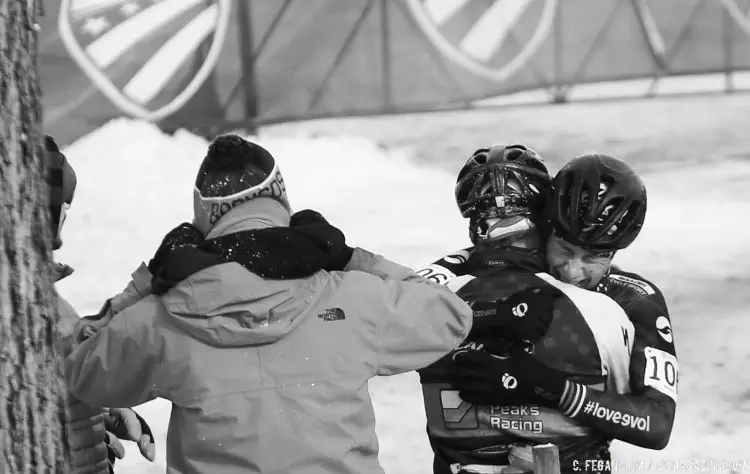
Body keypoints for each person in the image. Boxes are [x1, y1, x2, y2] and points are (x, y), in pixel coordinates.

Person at [63, 134, 477, 474]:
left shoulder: (158, 321)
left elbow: (79, 369)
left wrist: (149, 280)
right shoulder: (351, 297)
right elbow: (449, 315)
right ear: (282, 203)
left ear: (204, 220)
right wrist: (352, 257)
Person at [416, 145, 636, 474]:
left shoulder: (425, 301)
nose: (574, 270)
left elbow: (382, 324)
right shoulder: (604, 310)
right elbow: (632, 417)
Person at [454, 154, 677, 471]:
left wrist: (548, 386)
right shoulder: (504, 270)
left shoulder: (634, 300)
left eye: (595, 257)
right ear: (545, 230)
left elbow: (657, 424)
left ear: (616, 250)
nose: (573, 271)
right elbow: (435, 278)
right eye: (564, 249)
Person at [45, 135, 156, 473]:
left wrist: (96, 409)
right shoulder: (23, 305)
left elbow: (54, 379)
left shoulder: (39, 297)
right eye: (64, 203)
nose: (66, 213)